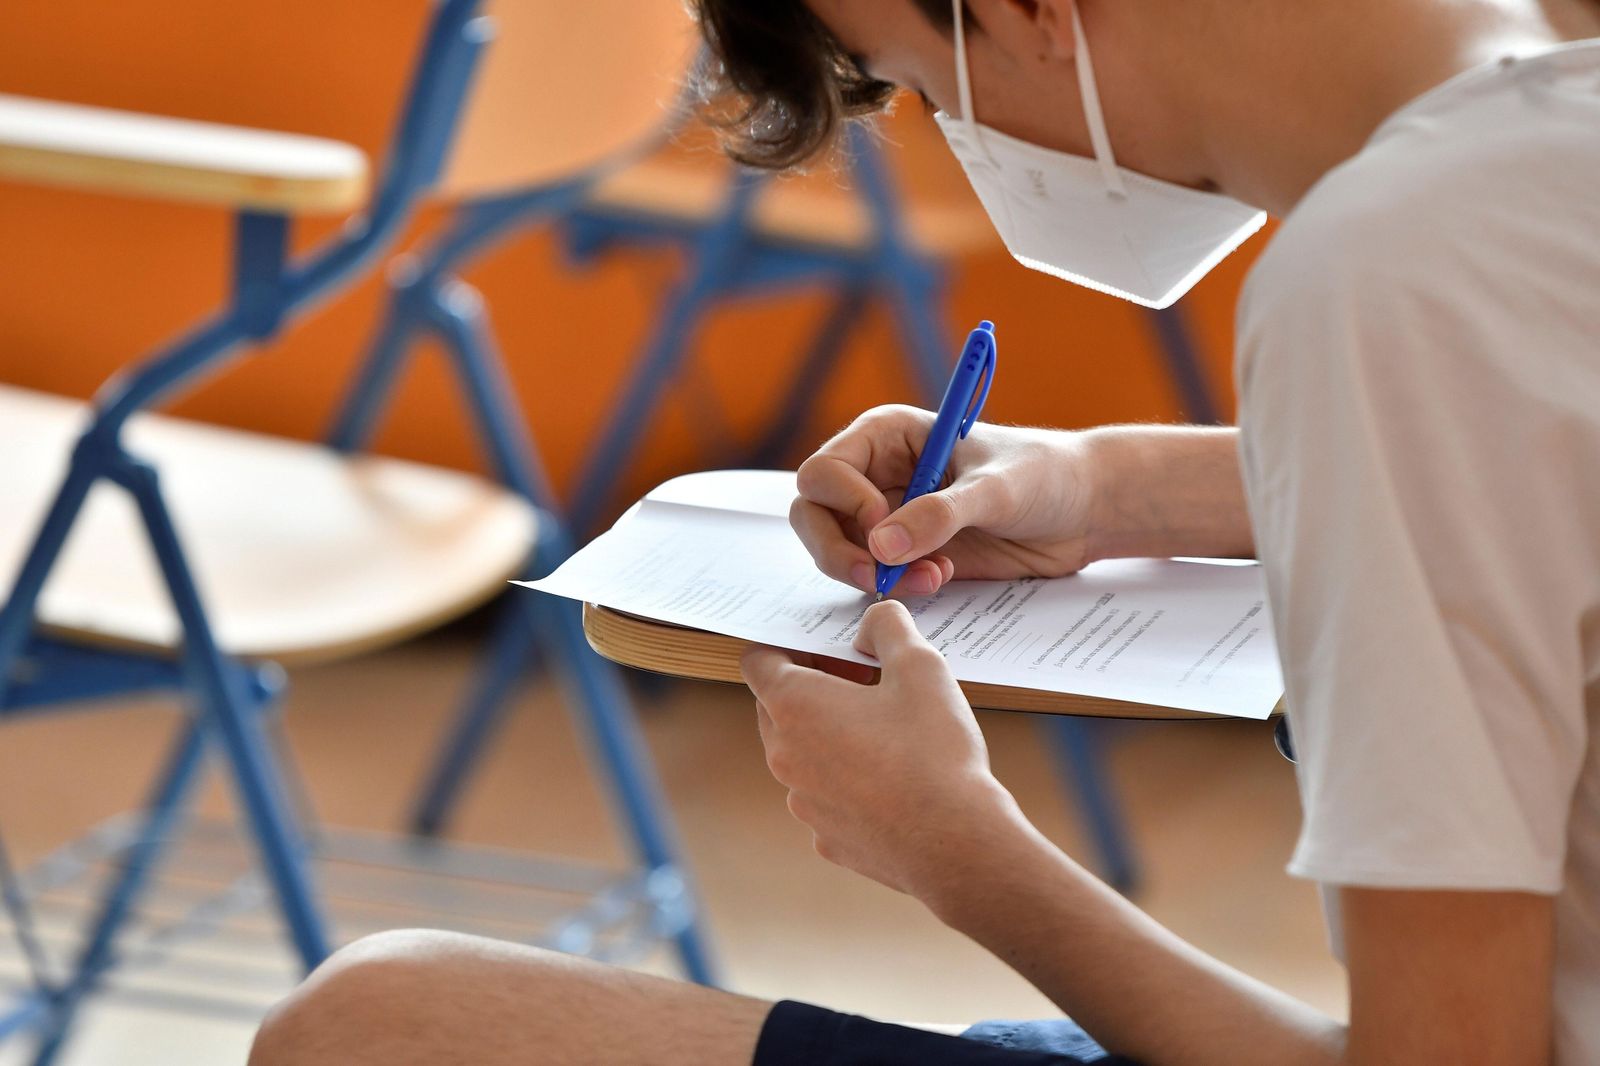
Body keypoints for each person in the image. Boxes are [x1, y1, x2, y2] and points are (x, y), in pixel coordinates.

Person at [249, 0, 1600, 1062]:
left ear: (1023, 11)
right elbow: (1532, 463)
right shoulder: (1545, 113)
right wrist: (1098, 482)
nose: (968, 139)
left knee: (373, 1025)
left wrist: (959, 850)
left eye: (930, 89)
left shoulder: (1387, 271)